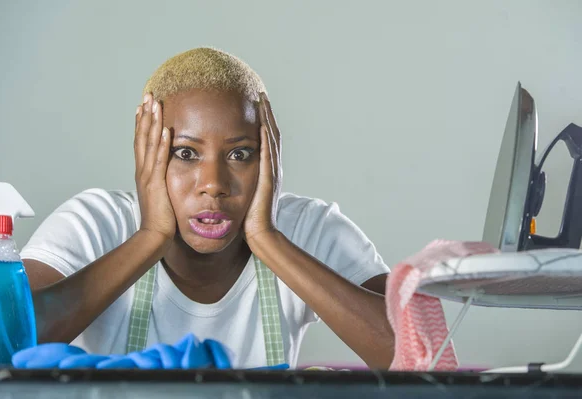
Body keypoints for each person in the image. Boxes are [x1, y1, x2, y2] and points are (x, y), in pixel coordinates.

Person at [21, 47, 394, 369]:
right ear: (145, 154)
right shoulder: (97, 223)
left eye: (239, 154)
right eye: (185, 153)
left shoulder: (309, 228)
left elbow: (420, 352)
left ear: (270, 159)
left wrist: (267, 239)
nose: (214, 184)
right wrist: (151, 237)